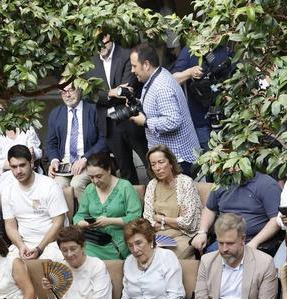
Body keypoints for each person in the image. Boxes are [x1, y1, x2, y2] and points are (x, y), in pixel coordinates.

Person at [129, 42, 202, 175]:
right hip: (169, 158)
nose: (132, 71)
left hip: (177, 159)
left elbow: (173, 121)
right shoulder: (155, 77)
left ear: (146, 65)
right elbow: (157, 106)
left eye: (134, 66)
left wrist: (145, 122)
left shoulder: (162, 86)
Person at [88, 35, 148, 186]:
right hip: (109, 123)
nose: (100, 47)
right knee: (125, 171)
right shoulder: (90, 62)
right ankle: (135, 207)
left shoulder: (127, 55)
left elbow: (128, 88)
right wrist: (110, 93)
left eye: (103, 42)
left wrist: (117, 92)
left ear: (110, 37)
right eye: (96, 44)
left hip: (130, 118)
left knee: (150, 164)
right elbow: (89, 94)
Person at [120, 218, 185, 299]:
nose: (135, 249)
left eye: (139, 243)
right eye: (130, 245)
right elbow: (126, 298)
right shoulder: (128, 262)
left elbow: (176, 294)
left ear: (150, 241)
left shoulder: (167, 257)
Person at [0, 144, 69, 262]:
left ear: (31, 163)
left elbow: (58, 223)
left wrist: (39, 249)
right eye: (14, 167)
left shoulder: (50, 186)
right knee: (8, 268)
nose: (18, 171)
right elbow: (10, 226)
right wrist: (21, 246)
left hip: (52, 243)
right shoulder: (7, 191)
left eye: (22, 165)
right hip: (23, 244)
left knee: (43, 268)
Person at [39, 227, 113, 299]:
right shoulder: (59, 269)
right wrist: (49, 292)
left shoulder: (97, 266)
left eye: (73, 249)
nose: (69, 254)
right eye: (64, 250)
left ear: (83, 247)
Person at [192, 171, 284, 255]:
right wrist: (202, 232)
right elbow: (210, 208)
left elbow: (276, 219)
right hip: (223, 239)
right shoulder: (221, 182)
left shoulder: (266, 184)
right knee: (210, 260)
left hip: (253, 240)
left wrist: (255, 242)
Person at [73, 152, 143, 261]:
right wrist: (84, 223)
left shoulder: (125, 187)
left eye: (99, 176)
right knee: (77, 255)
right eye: (91, 177)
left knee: (86, 260)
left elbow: (135, 217)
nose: (95, 181)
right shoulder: (89, 189)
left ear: (109, 170)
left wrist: (110, 221)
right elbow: (79, 215)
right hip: (94, 239)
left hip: (118, 239)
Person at [45, 83, 108, 197]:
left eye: (71, 90)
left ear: (79, 90)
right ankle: (67, 215)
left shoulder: (94, 109)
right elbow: (51, 143)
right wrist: (54, 161)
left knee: (76, 183)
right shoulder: (55, 113)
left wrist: (84, 159)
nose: (67, 95)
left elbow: (104, 140)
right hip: (64, 164)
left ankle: (86, 215)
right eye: (63, 92)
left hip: (88, 161)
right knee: (57, 185)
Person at [143, 144, 202, 261]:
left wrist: (161, 219)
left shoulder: (185, 182)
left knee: (165, 260)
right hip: (157, 237)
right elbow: (148, 219)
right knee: (143, 256)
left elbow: (187, 223)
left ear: (170, 163)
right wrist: (175, 220)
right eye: (153, 164)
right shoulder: (152, 185)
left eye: (161, 162)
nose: (157, 168)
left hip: (183, 236)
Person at [171, 42, 233, 152]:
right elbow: (172, 80)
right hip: (200, 119)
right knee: (209, 157)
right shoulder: (190, 51)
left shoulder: (224, 49)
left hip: (227, 117)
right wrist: (190, 72)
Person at [0, 126, 42, 196]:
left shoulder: (27, 127)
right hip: (2, 176)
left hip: (28, 172)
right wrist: (20, 161)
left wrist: (32, 153)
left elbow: (38, 152)